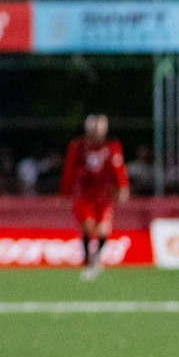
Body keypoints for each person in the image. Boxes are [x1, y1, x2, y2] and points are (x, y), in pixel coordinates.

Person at [61, 114, 129, 280]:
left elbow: (118, 169)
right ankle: (87, 259)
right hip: (84, 194)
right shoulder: (78, 146)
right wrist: (65, 191)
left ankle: (95, 256)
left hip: (104, 195)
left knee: (103, 230)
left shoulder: (112, 147)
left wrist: (122, 187)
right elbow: (70, 169)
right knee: (87, 225)